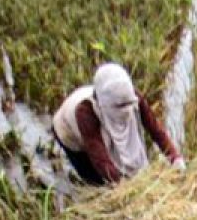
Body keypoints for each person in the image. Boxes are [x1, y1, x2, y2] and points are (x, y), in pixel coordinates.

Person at [52, 63, 185, 185]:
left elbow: (155, 130)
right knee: (95, 181)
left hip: (98, 124)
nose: (126, 111)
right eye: (120, 107)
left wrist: (175, 157)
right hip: (68, 133)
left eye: (128, 105)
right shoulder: (85, 112)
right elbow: (100, 159)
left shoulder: (132, 97)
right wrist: (126, 187)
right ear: (104, 105)